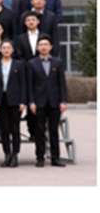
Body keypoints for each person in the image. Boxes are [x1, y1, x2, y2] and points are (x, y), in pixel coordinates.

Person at [28, 36, 68, 167]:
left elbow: (62, 84)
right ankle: (40, 157)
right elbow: (30, 85)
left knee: (53, 130)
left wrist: (63, 101)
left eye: (46, 44)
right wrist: (31, 102)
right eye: (41, 45)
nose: (43, 47)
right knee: (39, 131)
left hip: (54, 101)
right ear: (37, 48)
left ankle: (55, 157)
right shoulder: (32, 63)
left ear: (51, 47)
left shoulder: (58, 62)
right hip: (39, 102)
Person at [0, 40, 28, 168]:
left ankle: (15, 154)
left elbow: (23, 84)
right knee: (4, 129)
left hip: (15, 100)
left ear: (12, 50)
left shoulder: (19, 65)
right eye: (3, 48)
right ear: (0, 50)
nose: (6, 50)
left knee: (15, 129)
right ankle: (7, 154)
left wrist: (23, 101)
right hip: (1, 100)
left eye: (8, 48)